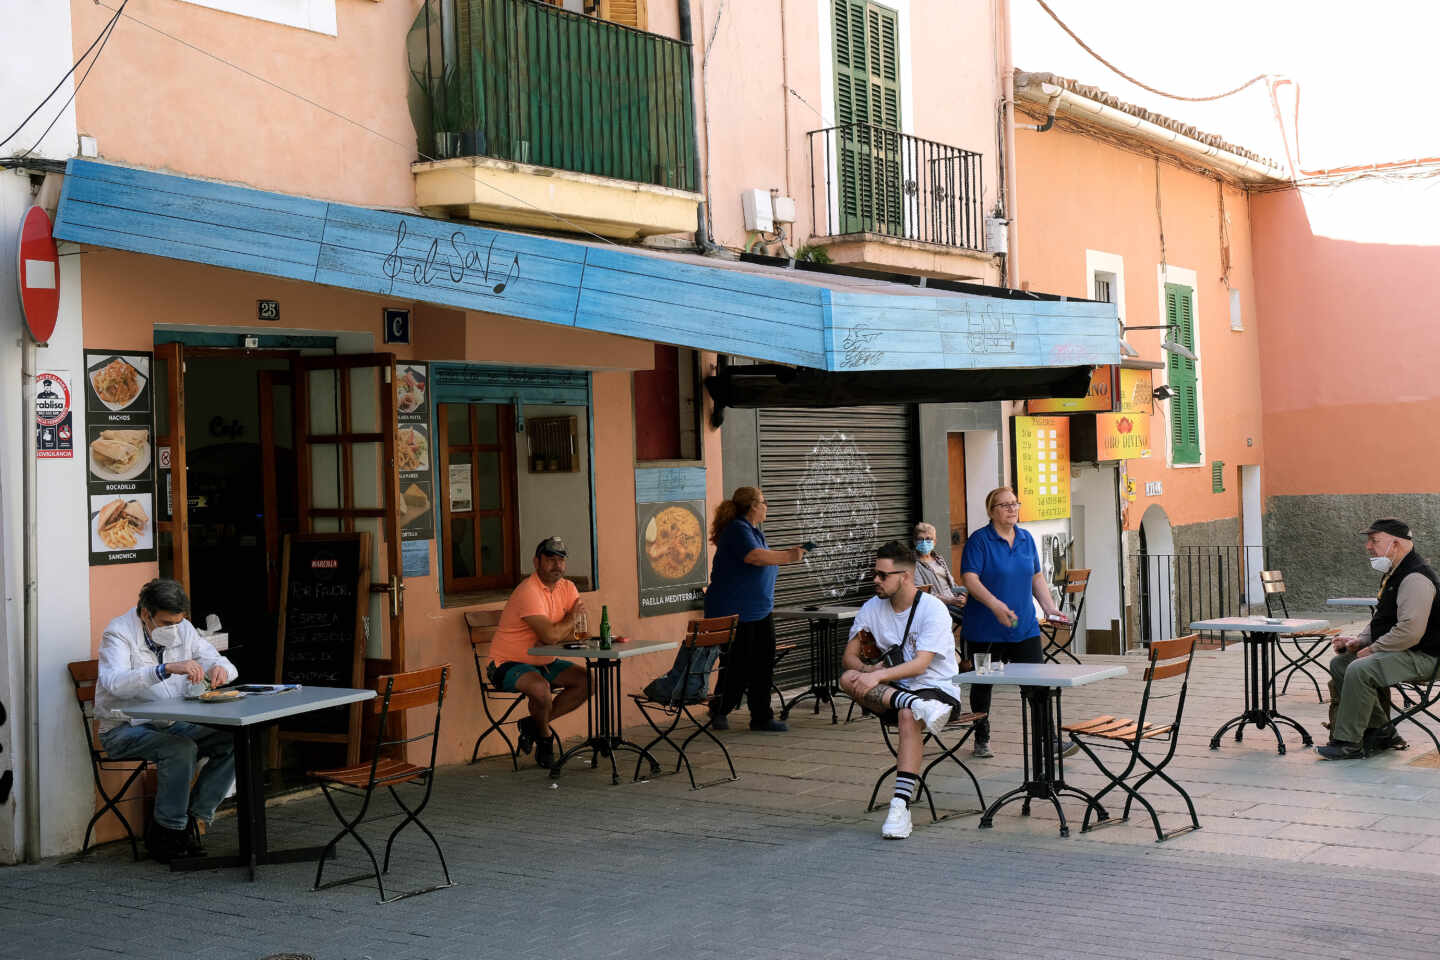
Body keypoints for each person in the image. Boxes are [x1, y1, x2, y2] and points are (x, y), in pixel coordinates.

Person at [96, 578, 238, 863]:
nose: (173, 629)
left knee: (235, 738)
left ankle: (194, 822)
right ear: (146, 613)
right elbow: (114, 683)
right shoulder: (118, 633)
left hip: (171, 722)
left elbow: (217, 660)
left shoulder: (183, 629)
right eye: (165, 623)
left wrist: (220, 670)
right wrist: (164, 669)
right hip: (123, 728)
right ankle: (167, 833)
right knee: (180, 749)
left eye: (178, 621)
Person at [839, 541, 963, 839]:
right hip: (895, 691)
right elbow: (849, 658)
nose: (876, 581)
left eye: (883, 575)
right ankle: (914, 704)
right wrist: (870, 672)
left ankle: (900, 806)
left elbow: (921, 665)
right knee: (847, 679)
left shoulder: (933, 610)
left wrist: (879, 676)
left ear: (905, 576)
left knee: (909, 714)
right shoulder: (872, 607)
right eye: (875, 574)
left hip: (937, 690)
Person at [1318, 518, 1440, 760]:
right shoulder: (1396, 573)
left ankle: (1348, 742)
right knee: (1341, 663)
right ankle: (1383, 731)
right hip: (1409, 652)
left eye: (1374, 540)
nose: (1368, 546)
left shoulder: (1415, 578)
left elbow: (1410, 631)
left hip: (1428, 657)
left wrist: (1374, 649)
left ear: (1395, 544)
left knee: (1360, 669)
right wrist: (1360, 641)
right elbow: (1383, 620)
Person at [959, 486, 1066, 758]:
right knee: (984, 684)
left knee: (1036, 684)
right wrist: (995, 605)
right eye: (1004, 505)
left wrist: (1050, 608)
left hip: (1024, 628)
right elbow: (970, 579)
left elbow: (1036, 578)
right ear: (991, 512)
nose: (1012, 509)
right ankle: (981, 736)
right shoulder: (979, 541)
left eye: (1014, 503)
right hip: (985, 632)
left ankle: (1049, 740)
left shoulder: (1026, 539)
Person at [704, 486, 807, 732]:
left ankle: (761, 717)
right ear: (752, 506)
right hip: (736, 612)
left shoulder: (752, 531)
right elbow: (755, 557)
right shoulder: (738, 529)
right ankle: (720, 710)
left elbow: (761, 557)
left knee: (762, 663)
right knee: (737, 664)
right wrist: (789, 556)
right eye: (763, 502)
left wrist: (786, 555)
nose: (766, 506)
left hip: (757, 610)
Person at [488, 537, 591, 768]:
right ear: (536, 562)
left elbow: (583, 629)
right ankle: (544, 738)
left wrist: (561, 629)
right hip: (506, 664)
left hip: (544, 661)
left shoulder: (568, 587)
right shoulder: (529, 590)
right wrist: (569, 620)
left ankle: (532, 725)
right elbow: (552, 636)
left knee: (587, 681)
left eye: (561, 560)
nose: (557, 565)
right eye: (550, 559)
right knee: (540, 689)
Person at [912, 521, 967, 627]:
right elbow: (922, 594)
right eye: (920, 539)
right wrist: (950, 600)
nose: (924, 542)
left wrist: (962, 596)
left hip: (953, 599)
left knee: (981, 612)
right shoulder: (913, 564)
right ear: (914, 541)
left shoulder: (938, 559)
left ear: (935, 541)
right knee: (969, 620)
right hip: (938, 604)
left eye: (928, 539)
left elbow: (952, 585)